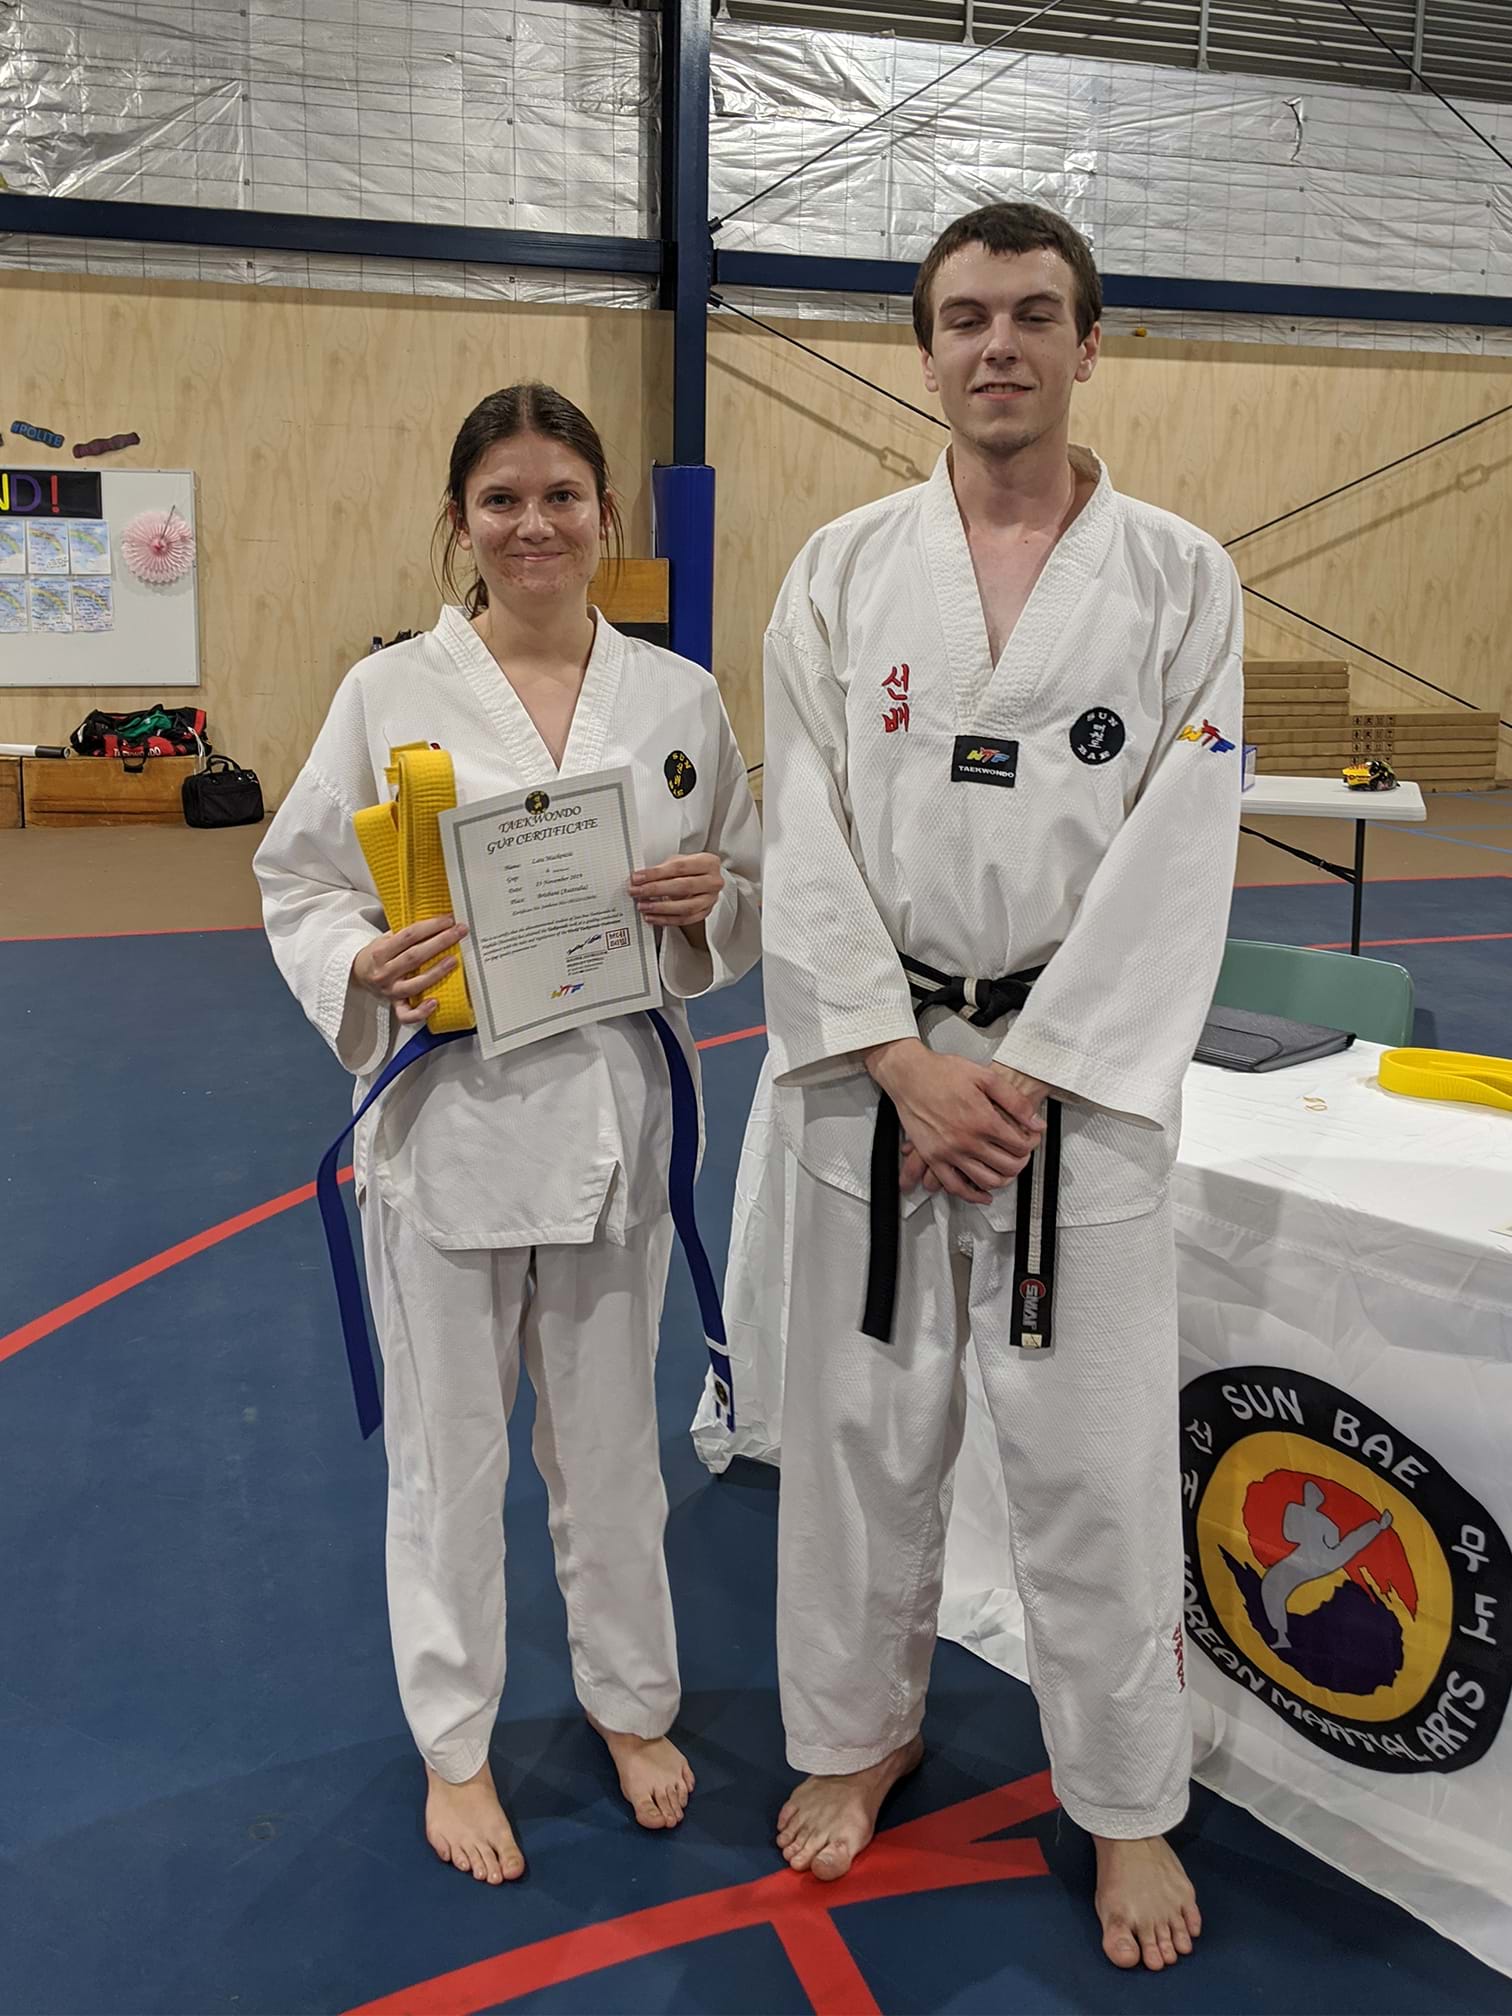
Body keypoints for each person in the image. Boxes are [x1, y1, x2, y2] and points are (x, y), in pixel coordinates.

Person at [755, 202, 1243, 1971]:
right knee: (859, 1442)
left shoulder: (1180, 575)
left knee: (1093, 1461)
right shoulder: (840, 568)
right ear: (925, 349)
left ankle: (1125, 1802)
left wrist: (1027, 1074)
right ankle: (857, 1733)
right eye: (965, 317)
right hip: (875, 1077)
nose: (999, 345)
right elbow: (799, 821)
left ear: (1090, 343)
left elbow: (1185, 843)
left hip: (1073, 1095)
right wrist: (898, 1056)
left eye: (1036, 314)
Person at [254, 383, 761, 1885]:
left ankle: (631, 1702)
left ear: (606, 513)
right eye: (502, 500)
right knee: (451, 1459)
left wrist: (711, 905)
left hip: (612, 1114)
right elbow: (298, 879)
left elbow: (745, 872)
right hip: (450, 1117)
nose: (535, 525)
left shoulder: (677, 697)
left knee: (610, 1451)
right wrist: (358, 959)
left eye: (562, 496)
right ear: (459, 520)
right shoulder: (389, 692)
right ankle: (456, 1743)